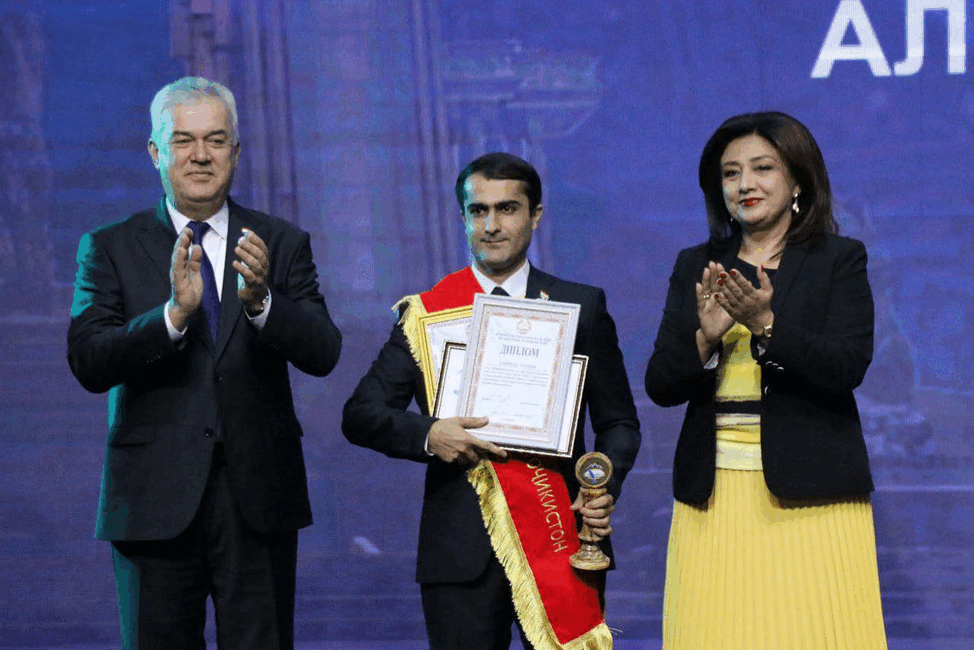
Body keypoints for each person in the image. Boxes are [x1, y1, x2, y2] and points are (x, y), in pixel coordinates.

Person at [67, 77, 342, 649]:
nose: (200, 155)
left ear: (235, 152)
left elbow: (323, 352)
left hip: (259, 501)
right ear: (155, 152)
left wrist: (262, 303)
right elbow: (89, 361)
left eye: (216, 140)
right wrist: (172, 315)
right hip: (152, 502)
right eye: (183, 140)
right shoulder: (109, 246)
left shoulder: (279, 242)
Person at [342, 152, 641, 650]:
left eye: (507, 209)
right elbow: (360, 415)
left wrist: (600, 484)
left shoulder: (582, 306)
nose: (492, 225)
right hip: (458, 553)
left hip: (560, 538)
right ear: (462, 217)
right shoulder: (427, 315)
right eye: (478, 211)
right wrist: (430, 434)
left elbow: (619, 423)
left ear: (535, 215)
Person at [645, 111, 887, 649]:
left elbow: (846, 367)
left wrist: (766, 326)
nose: (745, 184)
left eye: (762, 168)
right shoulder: (695, 264)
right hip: (712, 499)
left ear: (797, 179)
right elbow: (660, 384)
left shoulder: (838, 259)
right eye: (731, 173)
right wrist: (705, 339)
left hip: (812, 495)